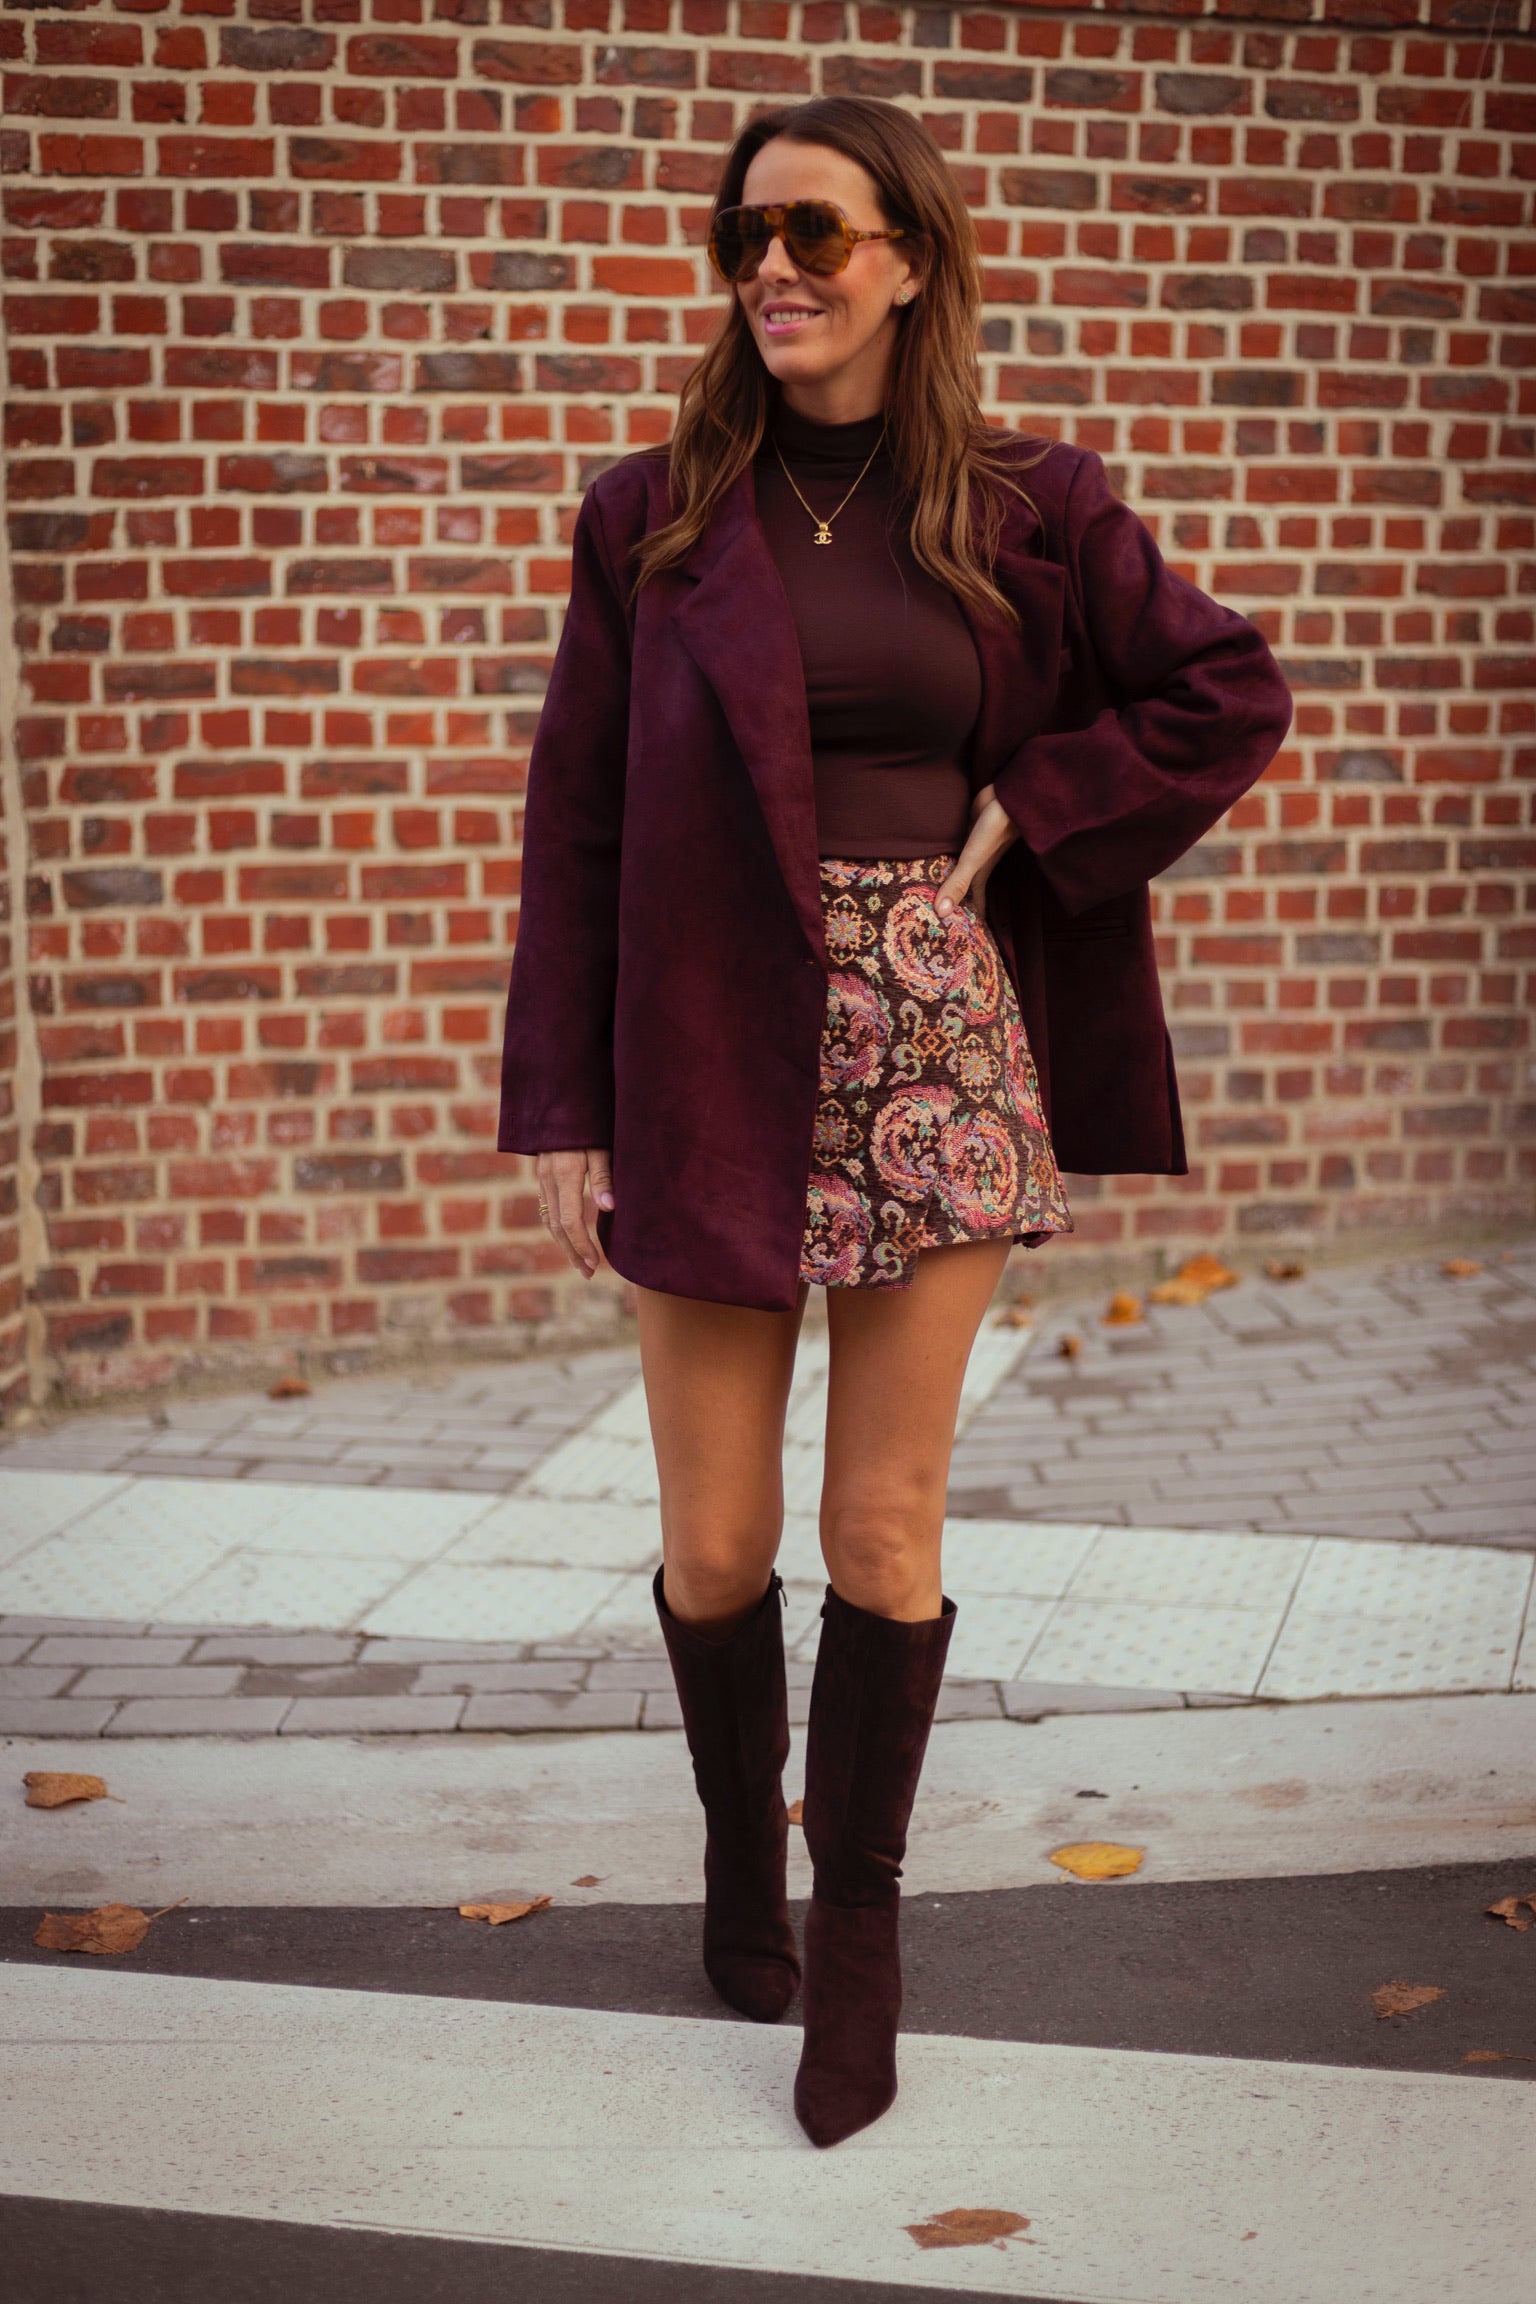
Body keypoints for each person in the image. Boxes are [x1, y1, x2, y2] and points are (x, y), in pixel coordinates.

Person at [499, 95, 1292, 2147]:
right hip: (702, 1042)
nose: (772, 268)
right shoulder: (652, 512)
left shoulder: (1031, 502)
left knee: (882, 1527)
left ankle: (857, 1935)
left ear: (910, 261)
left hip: (934, 1043)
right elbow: (577, 812)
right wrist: (562, 1099)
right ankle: (736, 1849)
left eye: (817, 235)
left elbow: (1224, 688)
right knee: (714, 1541)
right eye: (744, 236)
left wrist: (1042, 801)